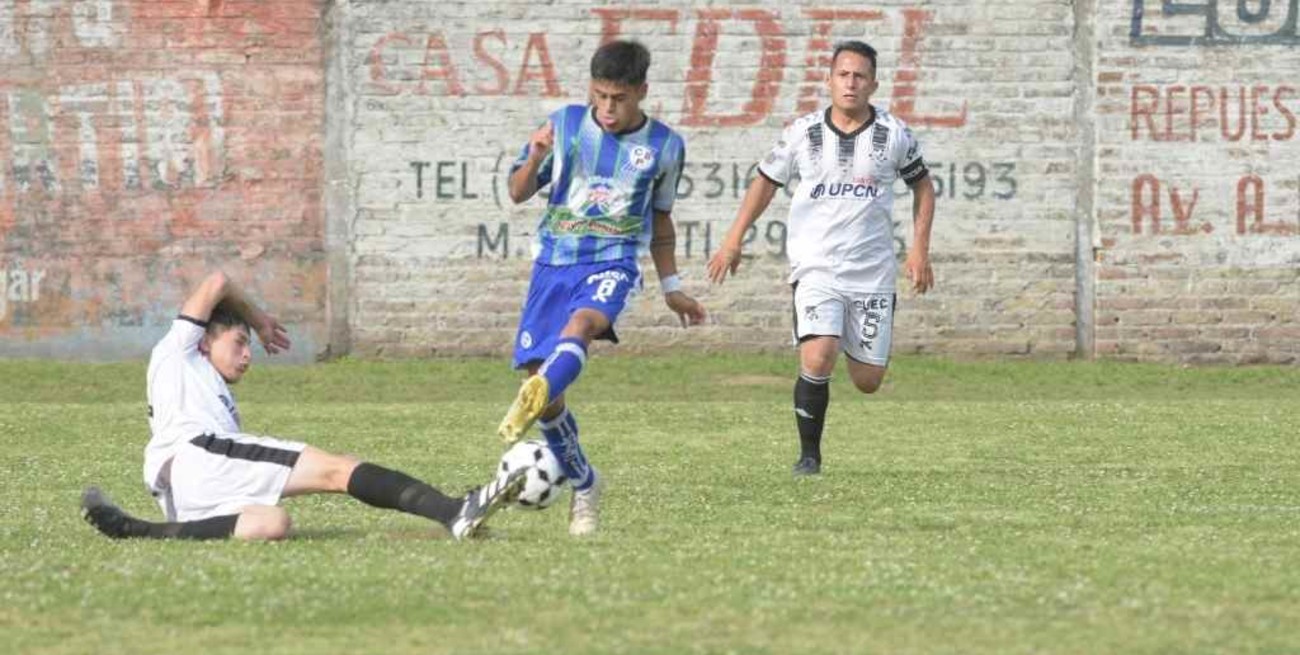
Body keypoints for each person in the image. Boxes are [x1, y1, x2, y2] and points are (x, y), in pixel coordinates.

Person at [81, 270, 524, 541]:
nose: (248, 354)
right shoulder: (178, 350)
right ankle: (453, 511)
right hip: (198, 455)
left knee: (272, 524)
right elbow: (218, 282)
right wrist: (258, 319)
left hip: (181, 491)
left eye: (249, 345)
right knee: (338, 468)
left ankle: (139, 530)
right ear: (203, 341)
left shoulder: (212, 393)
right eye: (238, 343)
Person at [498, 39, 706, 536]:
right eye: (600, 96)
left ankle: (547, 383)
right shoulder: (566, 124)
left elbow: (660, 221)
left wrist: (671, 285)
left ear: (641, 92)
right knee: (543, 392)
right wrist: (536, 156)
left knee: (584, 324)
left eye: (619, 99)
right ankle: (585, 484)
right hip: (552, 263)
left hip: (613, 261)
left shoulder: (664, 146)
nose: (608, 109)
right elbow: (518, 192)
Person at [706, 40, 937, 476]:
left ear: (874, 83)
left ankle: (863, 341)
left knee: (868, 382)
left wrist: (919, 249)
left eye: (860, 76)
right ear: (828, 80)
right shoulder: (802, 132)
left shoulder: (894, 134)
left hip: (871, 271)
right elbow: (764, 182)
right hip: (816, 266)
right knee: (819, 354)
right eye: (843, 75)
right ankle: (808, 457)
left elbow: (923, 187)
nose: (851, 83)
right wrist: (733, 239)